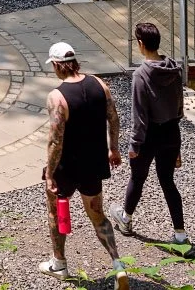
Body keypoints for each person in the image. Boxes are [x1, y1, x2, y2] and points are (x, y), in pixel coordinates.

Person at [41, 40, 127, 287]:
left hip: (67, 168)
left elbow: (55, 141)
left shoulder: (57, 97)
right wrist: (113, 148)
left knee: (55, 213)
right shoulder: (99, 84)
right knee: (97, 214)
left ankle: (59, 264)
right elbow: (113, 117)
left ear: (58, 65)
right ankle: (117, 264)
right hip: (93, 163)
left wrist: (50, 173)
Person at [114, 21, 188, 244]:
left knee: (138, 177)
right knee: (167, 181)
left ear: (140, 44)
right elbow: (179, 105)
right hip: (171, 131)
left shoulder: (141, 75)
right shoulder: (174, 68)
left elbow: (140, 116)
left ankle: (126, 220)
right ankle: (180, 235)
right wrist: (177, 145)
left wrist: (134, 145)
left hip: (149, 136)